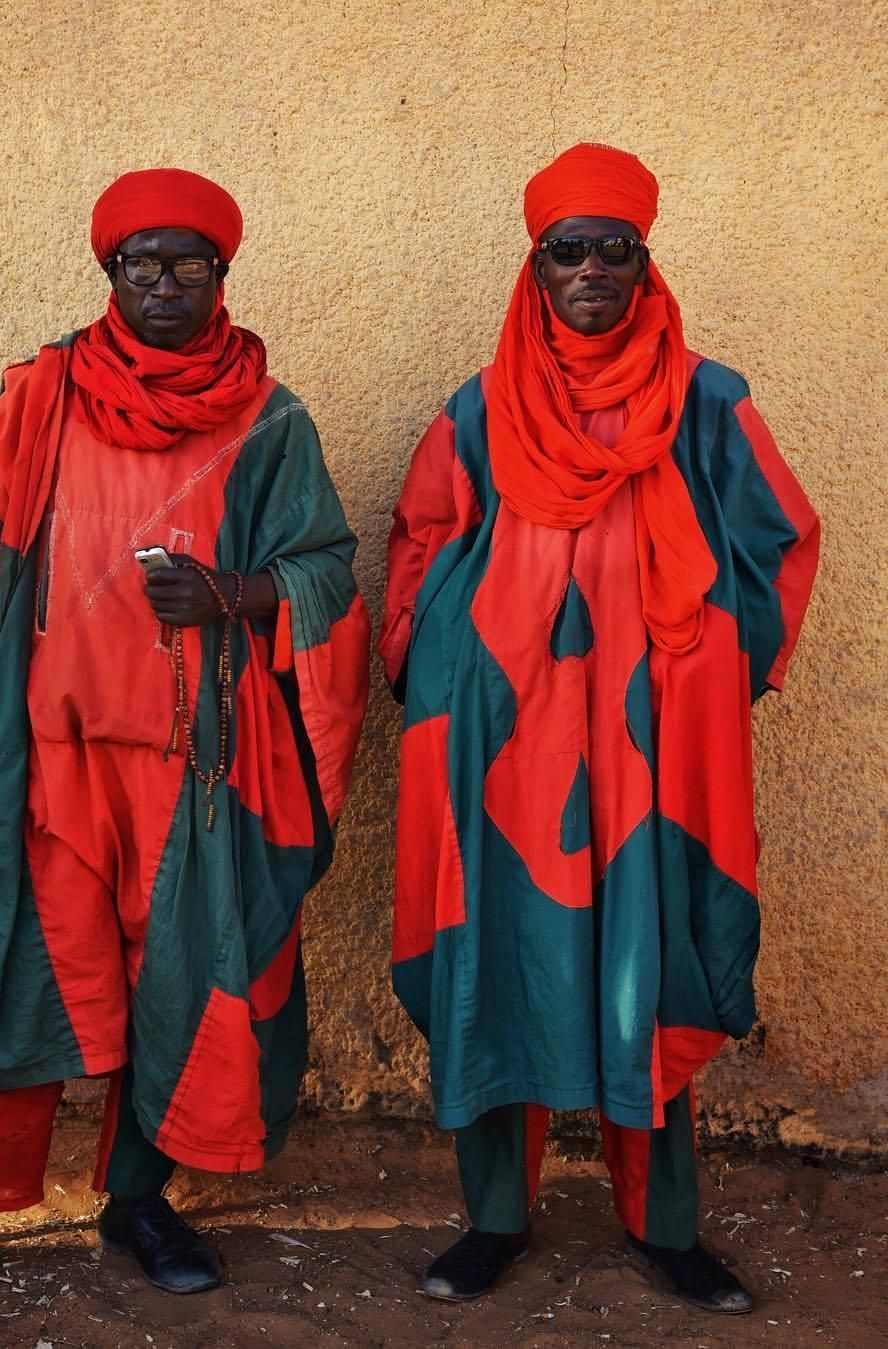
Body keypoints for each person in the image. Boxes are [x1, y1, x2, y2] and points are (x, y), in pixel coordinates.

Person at [0, 168, 370, 1313]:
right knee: (4, 972)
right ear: (110, 273)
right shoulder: (49, 396)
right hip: (48, 756)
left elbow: (328, 568)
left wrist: (233, 592)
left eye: (190, 265)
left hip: (196, 769)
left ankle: (136, 1198)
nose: (165, 285)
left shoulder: (273, 420)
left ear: (223, 275)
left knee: (175, 979)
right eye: (143, 264)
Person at [379, 143, 819, 1311]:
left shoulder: (707, 400)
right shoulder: (480, 408)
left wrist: (716, 672)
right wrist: (434, 662)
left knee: (650, 959)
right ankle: (494, 1220)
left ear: (643, 261)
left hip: (651, 749)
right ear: (535, 268)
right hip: (504, 751)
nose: (589, 269)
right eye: (564, 250)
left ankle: (664, 1225)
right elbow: (422, 539)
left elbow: (778, 536)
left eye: (611, 248)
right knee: (495, 958)